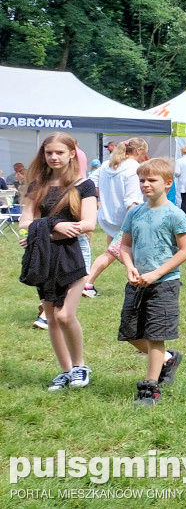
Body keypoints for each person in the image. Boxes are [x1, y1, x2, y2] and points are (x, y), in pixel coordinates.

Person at [18, 132, 98, 391]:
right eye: (49, 152)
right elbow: (25, 222)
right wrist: (53, 227)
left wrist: (43, 230)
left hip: (75, 252)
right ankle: (66, 372)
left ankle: (80, 366)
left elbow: (88, 224)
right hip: (44, 254)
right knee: (51, 317)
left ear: (72, 153)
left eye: (59, 152)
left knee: (64, 315)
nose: (53, 157)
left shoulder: (84, 185)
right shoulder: (37, 185)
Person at [117, 158, 186, 407]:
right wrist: (130, 267)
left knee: (154, 335)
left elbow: (185, 250)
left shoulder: (174, 215)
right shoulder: (135, 213)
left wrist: (157, 273)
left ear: (167, 183)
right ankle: (168, 359)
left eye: (152, 180)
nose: (145, 184)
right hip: (138, 283)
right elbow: (125, 245)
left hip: (164, 284)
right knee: (130, 334)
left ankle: (150, 388)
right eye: (142, 180)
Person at [82, 138, 148, 299]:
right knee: (114, 252)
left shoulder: (107, 164)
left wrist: (102, 197)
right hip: (125, 217)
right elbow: (131, 200)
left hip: (107, 216)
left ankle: (143, 277)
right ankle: (86, 283)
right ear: (138, 151)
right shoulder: (134, 168)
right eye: (144, 153)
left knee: (115, 251)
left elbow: (90, 182)